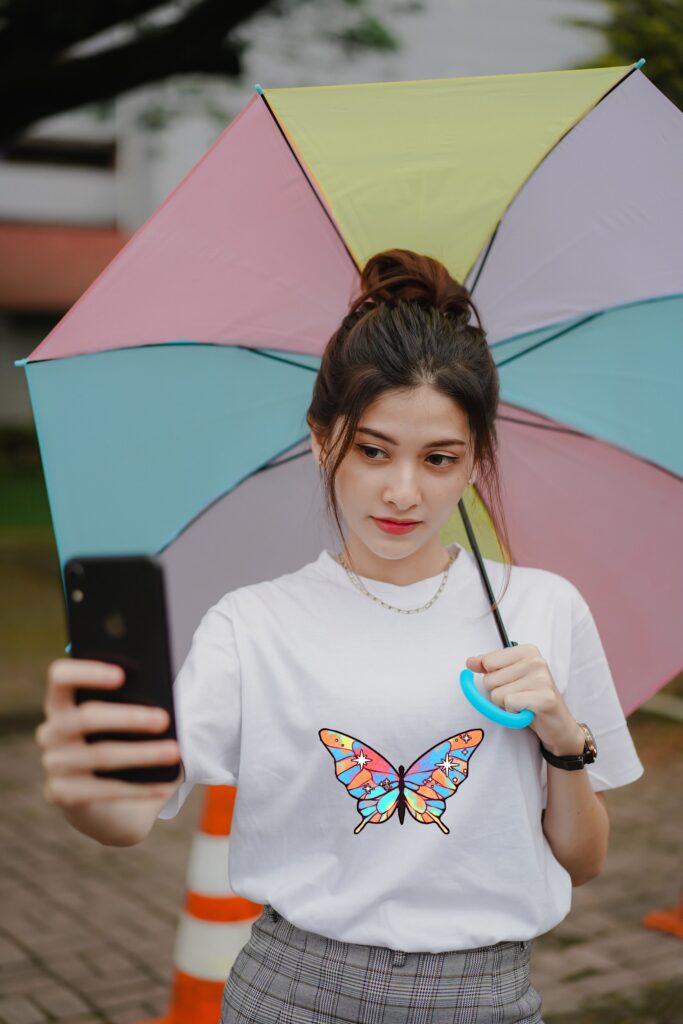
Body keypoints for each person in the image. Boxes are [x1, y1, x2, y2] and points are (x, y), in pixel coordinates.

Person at [37, 248, 644, 1024]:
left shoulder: (543, 608)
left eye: (439, 459)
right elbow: (129, 818)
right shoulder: (252, 624)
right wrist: (87, 784)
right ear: (323, 441)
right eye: (371, 450)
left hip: (486, 1000)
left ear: (474, 461)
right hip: (293, 991)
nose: (402, 491)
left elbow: (583, 861)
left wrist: (563, 737)